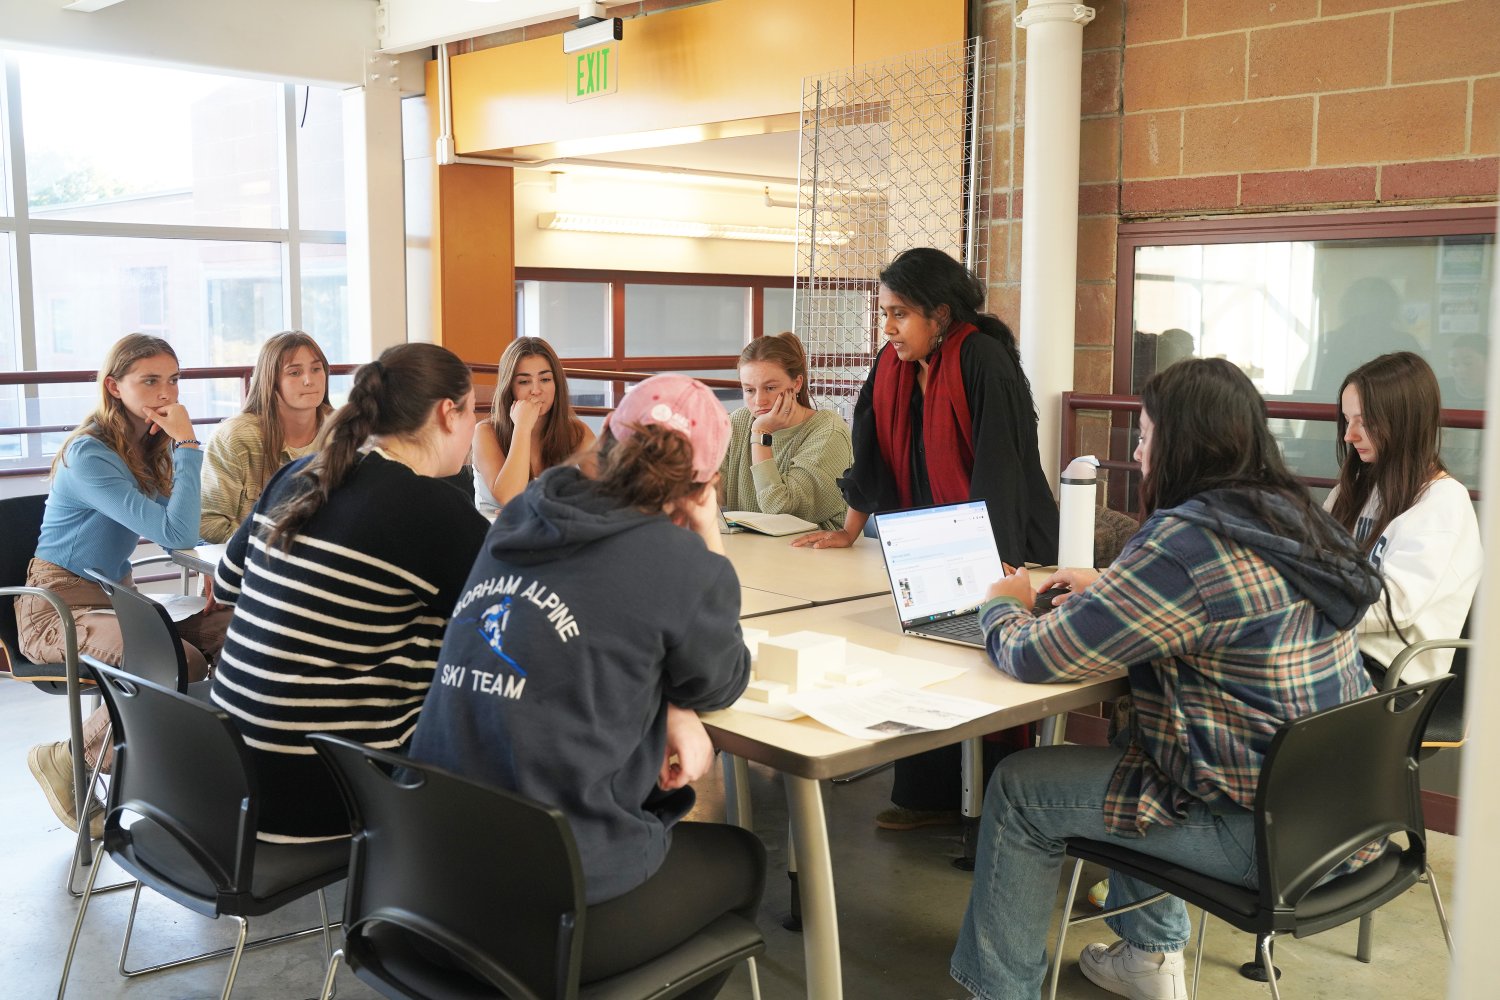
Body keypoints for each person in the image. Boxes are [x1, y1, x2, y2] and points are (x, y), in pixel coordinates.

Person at [949, 358, 1382, 1000]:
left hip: (1267, 837)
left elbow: (1037, 657)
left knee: (1019, 790)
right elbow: (1218, 607)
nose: (1138, 447)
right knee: (1142, 740)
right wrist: (1111, 591)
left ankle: (999, 990)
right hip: (1347, 816)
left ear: (1183, 443)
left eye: (1147, 433)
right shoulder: (1288, 514)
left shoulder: (1188, 542)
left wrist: (1002, 603)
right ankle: (1148, 960)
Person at [410, 374, 763, 995]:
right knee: (741, 861)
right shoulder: (681, 567)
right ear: (704, 484)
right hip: (547, 913)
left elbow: (569, 654)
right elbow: (722, 680)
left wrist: (669, 709)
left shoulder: (525, 512)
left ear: (602, 442)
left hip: (420, 882)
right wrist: (710, 544)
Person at [792, 246, 1060, 831]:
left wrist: (999, 567)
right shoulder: (891, 364)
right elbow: (872, 448)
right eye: (884, 312)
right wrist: (848, 529)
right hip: (926, 543)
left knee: (980, 665)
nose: (887, 327)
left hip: (997, 540)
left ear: (941, 314)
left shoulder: (983, 359)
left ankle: (994, 812)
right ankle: (929, 797)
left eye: (901, 313)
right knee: (920, 658)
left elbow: (1002, 467)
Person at [210, 343, 489, 842]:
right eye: (474, 411)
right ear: (449, 413)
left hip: (230, 783)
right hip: (327, 791)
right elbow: (517, 636)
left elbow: (227, 584)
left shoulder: (300, 474)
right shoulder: (434, 513)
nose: (475, 427)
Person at [20, 334, 233, 838]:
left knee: (243, 632)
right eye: (151, 380)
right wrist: (187, 444)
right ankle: (73, 756)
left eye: (174, 379)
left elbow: (190, 526)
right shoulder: (90, 455)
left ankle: (216, 774)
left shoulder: (146, 446)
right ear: (114, 386)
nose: (167, 392)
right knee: (180, 661)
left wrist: (261, 530)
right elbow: (173, 533)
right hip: (55, 608)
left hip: (117, 600)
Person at [1328, 351, 1481, 685]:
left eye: (1364, 421)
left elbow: (1394, 607)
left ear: (1404, 422)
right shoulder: (1354, 489)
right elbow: (1308, 559)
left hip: (1390, 678)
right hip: (1335, 654)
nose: (1349, 435)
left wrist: (1305, 605)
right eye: (1347, 419)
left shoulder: (1443, 501)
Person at [199, 330, 333, 543]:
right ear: (271, 380)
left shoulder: (344, 433)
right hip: (252, 566)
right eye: (295, 373)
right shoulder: (234, 437)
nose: (309, 380)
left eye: (316, 369)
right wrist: (272, 548)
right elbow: (209, 521)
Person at [719, 331, 852, 531]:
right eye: (749, 390)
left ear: (796, 384)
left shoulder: (828, 431)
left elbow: (779, 509)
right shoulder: (738, 422)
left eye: (770, 388)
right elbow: (711, 494)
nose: (759, 401)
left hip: (813, 556)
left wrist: (761, 433)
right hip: (752, 551)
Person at [473, 336, 595, 516]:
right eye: (524, 381)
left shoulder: (576, 432)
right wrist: (522, 427)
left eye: (545, 379)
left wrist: (543, 509)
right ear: (510, 387)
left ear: (556, 384)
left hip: (556, 536)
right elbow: (510, 497)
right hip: (497, 537)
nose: (536, 390)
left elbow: (609, 493)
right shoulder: (486, 432)